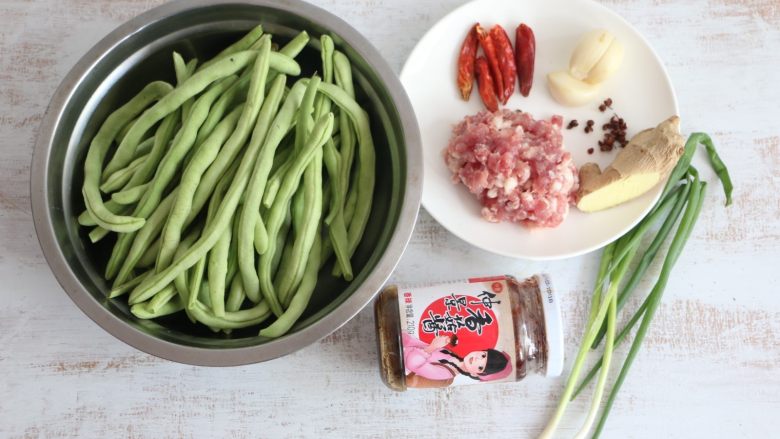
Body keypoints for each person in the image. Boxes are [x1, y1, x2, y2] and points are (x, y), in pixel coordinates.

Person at [402, 333, 512, 388]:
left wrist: (432, 347)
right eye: (483, 355)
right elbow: (418, 344)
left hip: (397, 365)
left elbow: (413, 364)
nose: (477, 358)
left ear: (476, 373)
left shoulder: (446, 374)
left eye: (480, 367)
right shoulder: (452, 355)